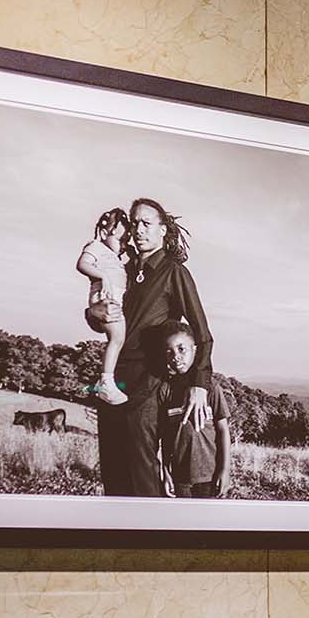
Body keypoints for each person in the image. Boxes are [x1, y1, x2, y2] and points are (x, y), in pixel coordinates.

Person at [96, 198, 216, 497]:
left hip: (148, 381)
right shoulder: (120, 270)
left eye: (146, 223)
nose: (139, 229)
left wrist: (199, 385)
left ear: (162, 230)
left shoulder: (174, 272)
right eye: (135, 223)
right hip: (112, 378)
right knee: (112, 471)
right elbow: (100, 319)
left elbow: (202, 334)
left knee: (141, 472)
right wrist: (94, 313)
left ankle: (149, 526)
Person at [157, 324, 230, 498]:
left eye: (181, 349)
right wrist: (165, 470)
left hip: (210, 477)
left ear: (195, 350)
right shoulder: (166, 390)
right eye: (169, 352)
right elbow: (165, 436)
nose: (176, 356)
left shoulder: (210, 388)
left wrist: (225, 470)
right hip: (179, 478)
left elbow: (223, 430)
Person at [76, 207, 130, 405]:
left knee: (117, 338)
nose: (123, 244)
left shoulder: (116, 257)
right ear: (105, 232)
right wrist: (103, 276)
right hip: (104, 299)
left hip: (114, 300)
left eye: (126, 240)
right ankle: (106, 381)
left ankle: (107, 380)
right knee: (117, 337)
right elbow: (82, 264)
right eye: (119, 239)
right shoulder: (96, 246)